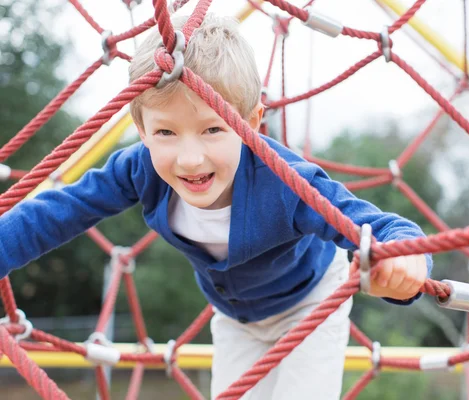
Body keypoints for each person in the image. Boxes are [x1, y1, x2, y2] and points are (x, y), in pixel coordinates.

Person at [0, 13, 432, 400]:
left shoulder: (283, 180)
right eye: (166, 133)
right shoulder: (138, 169)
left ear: (252, 122)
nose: (190, 159)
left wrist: (407, 257)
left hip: (310, 305)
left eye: (212, 129)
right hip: (234, 319)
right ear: (141, 128)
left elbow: (375, 224)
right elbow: (60, 211)